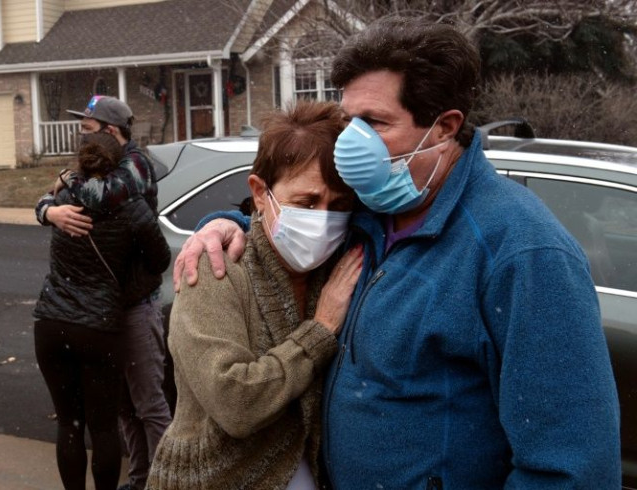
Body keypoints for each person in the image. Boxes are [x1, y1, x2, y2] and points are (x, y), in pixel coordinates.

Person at [172, 16, 622, 489]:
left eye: (375, 123)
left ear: (445, 127)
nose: (351, 144)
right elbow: (297, 219)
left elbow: (572, 467)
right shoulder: (374, 207)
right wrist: (226, 225)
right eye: (350, 122)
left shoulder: (521, 253)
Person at [146, 100, 363, 490]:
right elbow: (235, 404)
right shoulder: (216, 273)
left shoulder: (336, 272)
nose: (324, 219)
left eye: (339, 205)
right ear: (261, 193)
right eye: (307, 202)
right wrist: (320, 330)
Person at [34, 95, 173, 490]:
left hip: (135, 305)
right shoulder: (91, 173)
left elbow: (102, 196)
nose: (82, 139)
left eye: (88, 130)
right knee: (122, 408)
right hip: (104, 310)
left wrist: (66, 183)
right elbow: (48, 201)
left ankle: (164, 482)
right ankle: (140, 478)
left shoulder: (136, 164)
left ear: (111, 132)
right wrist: (50, 210)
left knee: (149, 403)